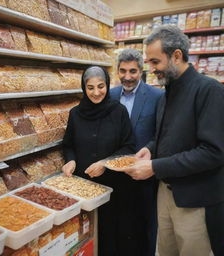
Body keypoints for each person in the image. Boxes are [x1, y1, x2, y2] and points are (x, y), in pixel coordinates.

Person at [125, 25, 224, 256]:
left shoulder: (208, 91)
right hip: (166, 192)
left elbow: (213, 152)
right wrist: (150, 150)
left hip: (195, 200)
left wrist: (154, 167)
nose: (151, 69)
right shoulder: (167, 92)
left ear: (177, 56)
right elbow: (167, 136)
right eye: (148, 62)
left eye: (155, 62)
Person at [61, 66, 138, 256]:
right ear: (84, 88)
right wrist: (70, 160)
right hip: (83, 187)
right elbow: (68, 144)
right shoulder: (75, 114)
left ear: (108, 85)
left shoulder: (118, 111)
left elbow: (129, 147)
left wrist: (105, 163)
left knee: (110, 234)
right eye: (90, 87)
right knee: (85, 236)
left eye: (101, 86)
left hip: (114, 187)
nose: (96, 92)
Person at [110, 48, 163, 256]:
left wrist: (149, 151)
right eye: (123, 71)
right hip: (116, 173)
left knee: (146, 224)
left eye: (133, 71)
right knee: (121, 223)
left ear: (141, 71)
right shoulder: (111, 95)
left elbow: (161, 134)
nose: (127, 76)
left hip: (145, 175)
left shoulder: (157, 96)